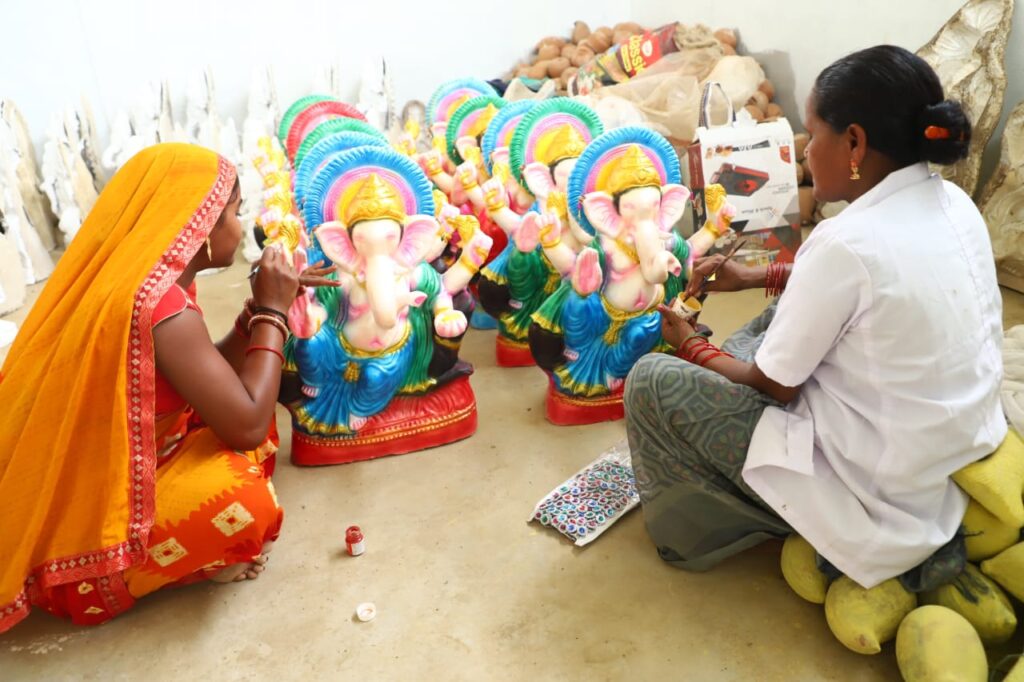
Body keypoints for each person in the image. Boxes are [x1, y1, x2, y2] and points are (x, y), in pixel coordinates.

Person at [625, 45, 1006, 589]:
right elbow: (856, 290)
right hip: (947, 454)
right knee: (772, 319)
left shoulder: (844, 242)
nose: (803, 152)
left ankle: (754, 522)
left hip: (881, 492)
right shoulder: (953, 202)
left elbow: (775, 386)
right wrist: (754, 278)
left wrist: (688, 342)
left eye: (811, 133)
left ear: (854, 142)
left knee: (651, 382)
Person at [0, 143, 334, 632]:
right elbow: (245, 424)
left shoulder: (154, 283)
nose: (242, 228)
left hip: (114, 458)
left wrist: (257, 310)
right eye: (235, 214)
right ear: (200, 228)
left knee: (244, 409)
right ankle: (135, 572)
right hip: (93, 510)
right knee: (244, 503)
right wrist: (274, 313)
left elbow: (203, 373)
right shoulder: (160, 308)